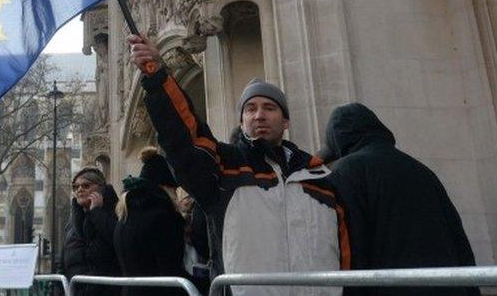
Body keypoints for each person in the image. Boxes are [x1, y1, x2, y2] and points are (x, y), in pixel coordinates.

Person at [128, 34, 346, 296]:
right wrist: (156, 74)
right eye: (250, 109)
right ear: (242, 121)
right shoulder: (222, 168)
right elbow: (183, 137)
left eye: (269, 108)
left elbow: (344, 254)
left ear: (285, 121)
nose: (259, 115)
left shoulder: (318, 176)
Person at [320, 103, 480, 295]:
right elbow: (459, 241)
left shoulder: (348, 170)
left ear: (337, 139)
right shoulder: (422, 170)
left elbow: (352, 248)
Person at [113, 147, 188, 296]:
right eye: (173, 190)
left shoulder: (125, 216)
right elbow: (171, 273)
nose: (175, 195)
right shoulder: (162, 217)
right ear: (164, 187)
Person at [57, 167, 120, 296]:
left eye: (86, 185)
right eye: (75, 187)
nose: (80, 190)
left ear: (100, 188)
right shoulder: (72, 224)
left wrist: (96, 213)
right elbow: (62, 265)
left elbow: (118, 242)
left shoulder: (116, 214)